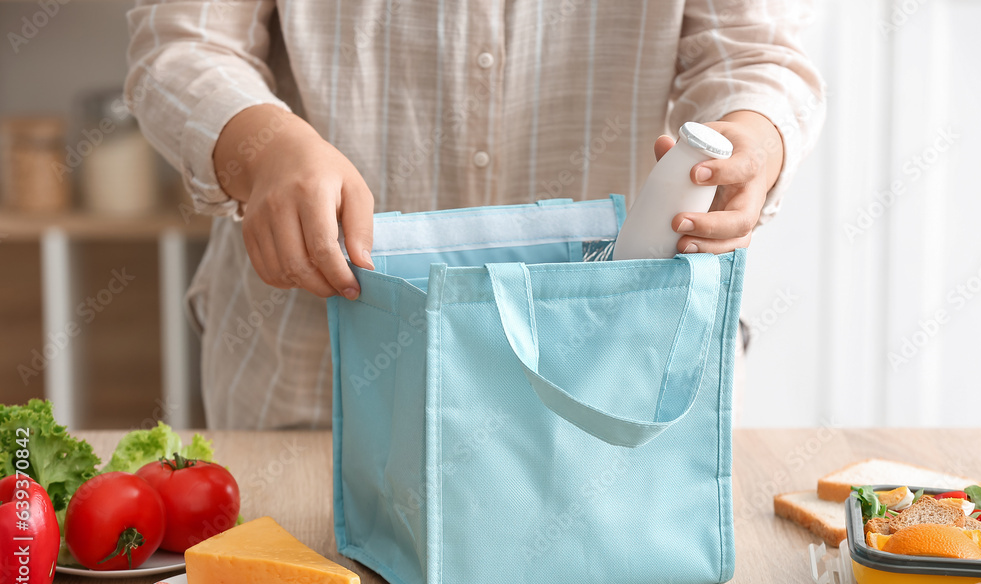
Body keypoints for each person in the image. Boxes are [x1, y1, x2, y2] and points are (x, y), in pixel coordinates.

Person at [125, 1, 825, 429]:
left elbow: (758, 52)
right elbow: (182, 44)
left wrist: (756, 139)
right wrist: (266, 146)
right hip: (314, 376)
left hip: (605, 381)